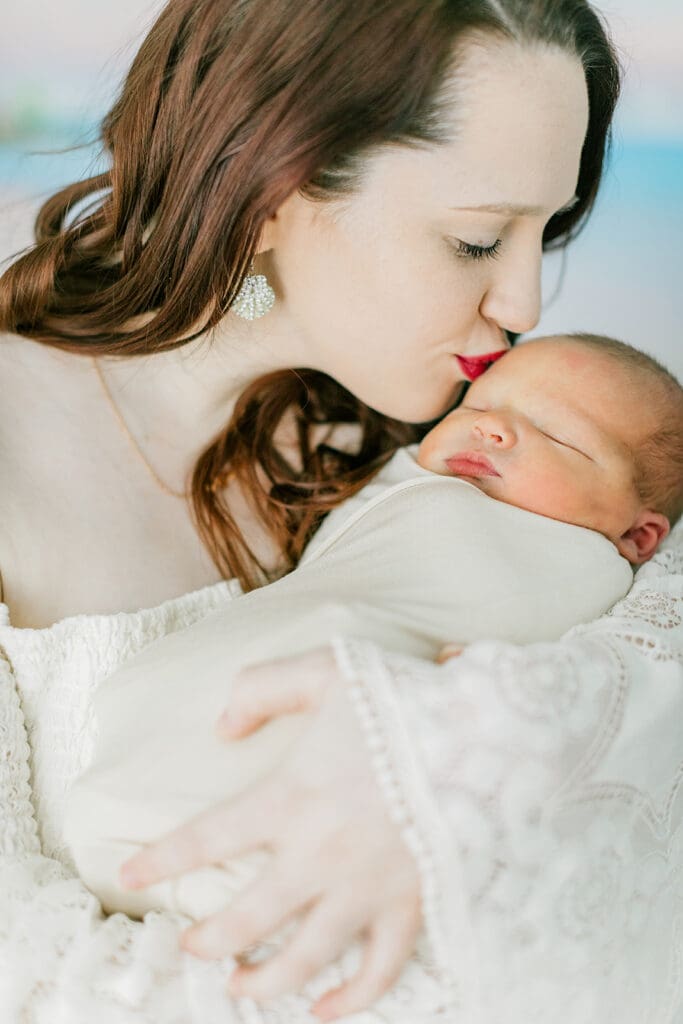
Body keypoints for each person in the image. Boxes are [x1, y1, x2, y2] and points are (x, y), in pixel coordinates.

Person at [0, 1, 680, 1022]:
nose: (527, 305)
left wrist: (457, 761)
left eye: (548, 230)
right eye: (476, 239)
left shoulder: (459, 439)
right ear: (265, 194)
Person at [63, 332, 682, 930]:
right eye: (481, 403)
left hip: (363, 725)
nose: (492, 427)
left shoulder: (603, 576)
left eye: (557, 434)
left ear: (640, 536)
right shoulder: (394, 471)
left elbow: (592, 707)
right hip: (242, 672)